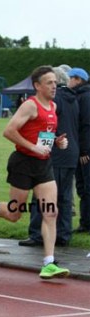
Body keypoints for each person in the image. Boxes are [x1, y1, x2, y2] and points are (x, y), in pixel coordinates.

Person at [0, 65, 71, 279]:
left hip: (43, 165)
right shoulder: (30, 106)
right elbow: (8, 131)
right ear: (37, 86)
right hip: (23, 163)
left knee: (51, 212)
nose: (54, 86)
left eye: (55, 82)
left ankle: (49, 263)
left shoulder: (52, 106)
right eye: (49, 82)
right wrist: (33, 147)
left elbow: (43, 135)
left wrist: (57, 142)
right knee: (15, 214)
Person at [19, 66, 79, 247]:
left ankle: (37, 235)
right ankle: (63, 234)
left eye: (53, 81)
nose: (52, 85)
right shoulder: (73, 99)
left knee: (42, 196)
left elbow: (46, 127)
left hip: (55, 152)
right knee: (65, 197)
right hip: (71, 151)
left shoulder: (54, 101)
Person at [69, 67, 90, 234]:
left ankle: (86, 223)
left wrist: (84, 151)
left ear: (77, 79)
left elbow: (85, 126)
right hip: (83, 148)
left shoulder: (84, 97)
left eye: (70, 79)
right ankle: (85, 222)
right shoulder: (81, 96)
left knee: (86, 187)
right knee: (84, 187)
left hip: (85, 151)